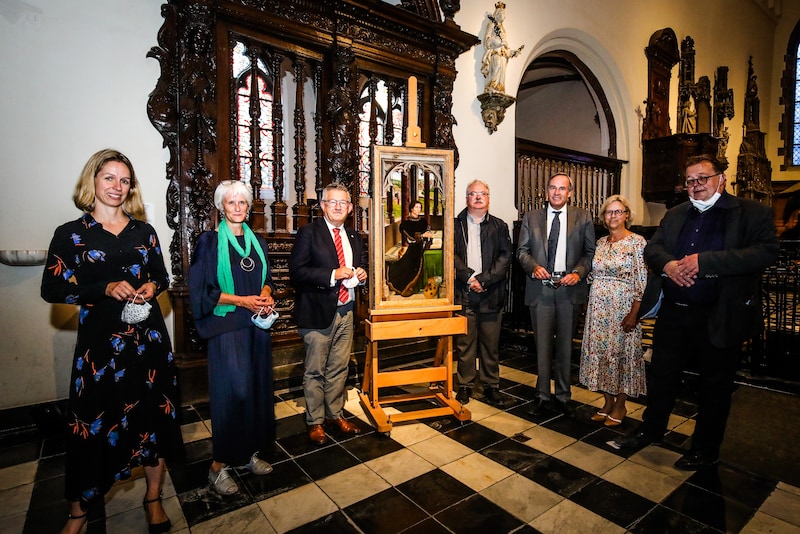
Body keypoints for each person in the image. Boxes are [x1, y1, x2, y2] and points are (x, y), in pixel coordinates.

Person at [41, 149, 182, 534]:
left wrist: (152, 286)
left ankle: (153, 498)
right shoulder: (71, 234)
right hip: (100, 349)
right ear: (93, 180)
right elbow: (52, 289)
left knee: (153, 419)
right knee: (90, 425)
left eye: (124, 180)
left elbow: (161, 277)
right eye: (109, 178)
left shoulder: (144, 232)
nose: (117, 187)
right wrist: (101, 288)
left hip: (148, 342)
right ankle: (78, 513)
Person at [614, 154, 779, 470]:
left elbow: (765, 252)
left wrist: (705, 262)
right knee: (661, 377)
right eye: (690, 180)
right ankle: (652, 429)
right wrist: (669, 265)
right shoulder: (675, 214)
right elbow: (653, 248)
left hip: (719, 315)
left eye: (703, 178)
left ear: (721, 179)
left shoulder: (752, 213)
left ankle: (706, 448)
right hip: (675, 314)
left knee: (714, 386)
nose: (696, 185)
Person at [189, 180, 276, 496]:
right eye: (231, 202)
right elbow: (203, 290)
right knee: (233, 394)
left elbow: (267, 279)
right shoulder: (209, 242)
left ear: (248, 206)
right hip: (227, 329)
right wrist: (242, 301)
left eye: (242, 202)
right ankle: (218, 466)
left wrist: (265, 294)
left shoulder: (258, 242)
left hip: (256, 327)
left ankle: (247, 454)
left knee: (254, 392)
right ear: (221, 207)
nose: (237, 207)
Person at [289, 183, 368, 445]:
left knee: (339, 367)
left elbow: (361, 265)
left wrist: (362, 273)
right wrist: (332, 274)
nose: (337, 207)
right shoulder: (308, 233)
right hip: (316, 311)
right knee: (315, 371)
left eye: (343, 203)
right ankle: (315, 421)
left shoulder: (354, 236)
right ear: (322, 205)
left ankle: (335, 415)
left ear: (350, 208)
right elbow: (297, 272)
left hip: (347, 310)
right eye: (332, 202)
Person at [517, 173, 595, 417]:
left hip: (569, 289)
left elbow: (590, 253)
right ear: (546, 191)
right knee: (541, 346)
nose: (557, 192)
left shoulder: (583, 217)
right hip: (540, 289)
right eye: (553, 187)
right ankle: (541, 395)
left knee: (565, 347)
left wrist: (578, 273)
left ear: (570, 193)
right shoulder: (531, 217)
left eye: (562, 188)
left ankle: (563, 396)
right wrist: (533, 267)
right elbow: (521, 251)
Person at [579, 195, 647, 427]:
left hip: (623, 307)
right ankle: (607, 402)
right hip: (598, 309)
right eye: (609, 212)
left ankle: (621, 405)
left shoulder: (637, 242)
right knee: (600, 354)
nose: (613, 216)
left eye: (618, 211)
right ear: (603, 217)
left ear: (626, 215)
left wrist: (634, 313)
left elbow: (642, 280)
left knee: (621, 355)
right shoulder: (600, 243)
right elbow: (591, 275)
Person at [453, 180, 513, 405]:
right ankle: (465, 385)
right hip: (464, 291)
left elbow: (505, 256)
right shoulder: (455, 225)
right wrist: (469, 277)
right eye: (473, 194)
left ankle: (491, 385)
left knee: (490, 343)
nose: (478, 197)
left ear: (488, 198)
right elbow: (450, 254)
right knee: (465, 344)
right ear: (467, 198)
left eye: (483, 194)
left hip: (491, 292)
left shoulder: (499, 226)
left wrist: (484, 280)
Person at [387, 201, 434, 297]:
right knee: (407, 266)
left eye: (420, 207)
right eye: (416, 207)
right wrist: (422, 235)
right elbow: (411, 237)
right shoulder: (406, 224)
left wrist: (428, 235)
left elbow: (428, 231)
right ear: (411, 209)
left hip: (423, 246)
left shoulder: (423, 222)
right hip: (413, 248)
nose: (418, 209)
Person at [480, 2, 523, 94]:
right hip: (495, 52)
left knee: (502, 73)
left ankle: (499, 89)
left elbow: (505, 46)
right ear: (498, 14)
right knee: (497, 67)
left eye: (504, 15)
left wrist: (512, 52)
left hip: (503, 54)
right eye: (503, 14)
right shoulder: (492, 25)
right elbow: (487, 40)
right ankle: (492, 87)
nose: (504, 17)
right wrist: (497, 42)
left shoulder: (503, 29)